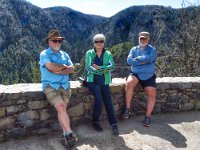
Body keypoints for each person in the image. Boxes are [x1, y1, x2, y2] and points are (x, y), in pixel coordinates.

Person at [39, 29, 77, 147]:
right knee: (61, 107)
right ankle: (70, 133)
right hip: (50, 86)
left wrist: (58, 70)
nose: (57, 43)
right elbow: (49, 66)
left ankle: (65, 134)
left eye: (59, 41)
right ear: (49, 42)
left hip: (65, 85)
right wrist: (63, 67)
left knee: (62, 109)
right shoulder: (44, 54)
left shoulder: (65, 54)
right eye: (54, 40)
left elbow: (72, 69)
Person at [84, 33, 119, 135]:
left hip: (104, 81)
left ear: (104, 43)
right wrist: (102, 70)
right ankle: (95, 121)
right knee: (99, 99)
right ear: (94, 43)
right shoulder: (89, 53)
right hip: (92, 81)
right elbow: (88, 67)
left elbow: (112, 66)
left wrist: (100, 68)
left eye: (101, 41)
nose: (99, 43)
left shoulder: (108, 54)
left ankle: (113, 124)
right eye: (96, 41)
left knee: (108, 102)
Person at [121, 31, 157, 127]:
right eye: (141, 38)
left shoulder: (152, 49)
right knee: (129, 83)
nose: (142, 40)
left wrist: (138, 58)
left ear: (148, 39)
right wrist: (142, 62)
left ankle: (148, 116)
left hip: (148, 75)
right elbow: (129, 61)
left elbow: (151, 58)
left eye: (144, 38)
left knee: (152, 93)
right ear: (139, 38)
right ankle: (127, 109)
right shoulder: (133, 49)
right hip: (135, 73)